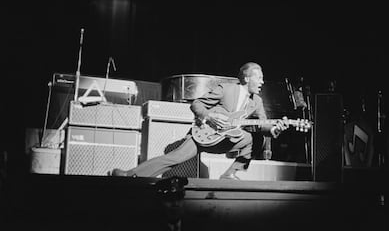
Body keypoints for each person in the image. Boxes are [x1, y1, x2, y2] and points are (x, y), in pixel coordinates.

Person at [111, 62, 289, 180]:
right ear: (247, 78)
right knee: (174, 158)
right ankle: (129, 175)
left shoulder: (256, 101)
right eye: (259, 77)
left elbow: (263, 123)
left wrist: (274, 130)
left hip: (225, 141)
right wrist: (209, 118)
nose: (262, 82)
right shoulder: (226, 89)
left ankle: (230, 175)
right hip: (204, 134)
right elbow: (196, 104)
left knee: (255, 139)